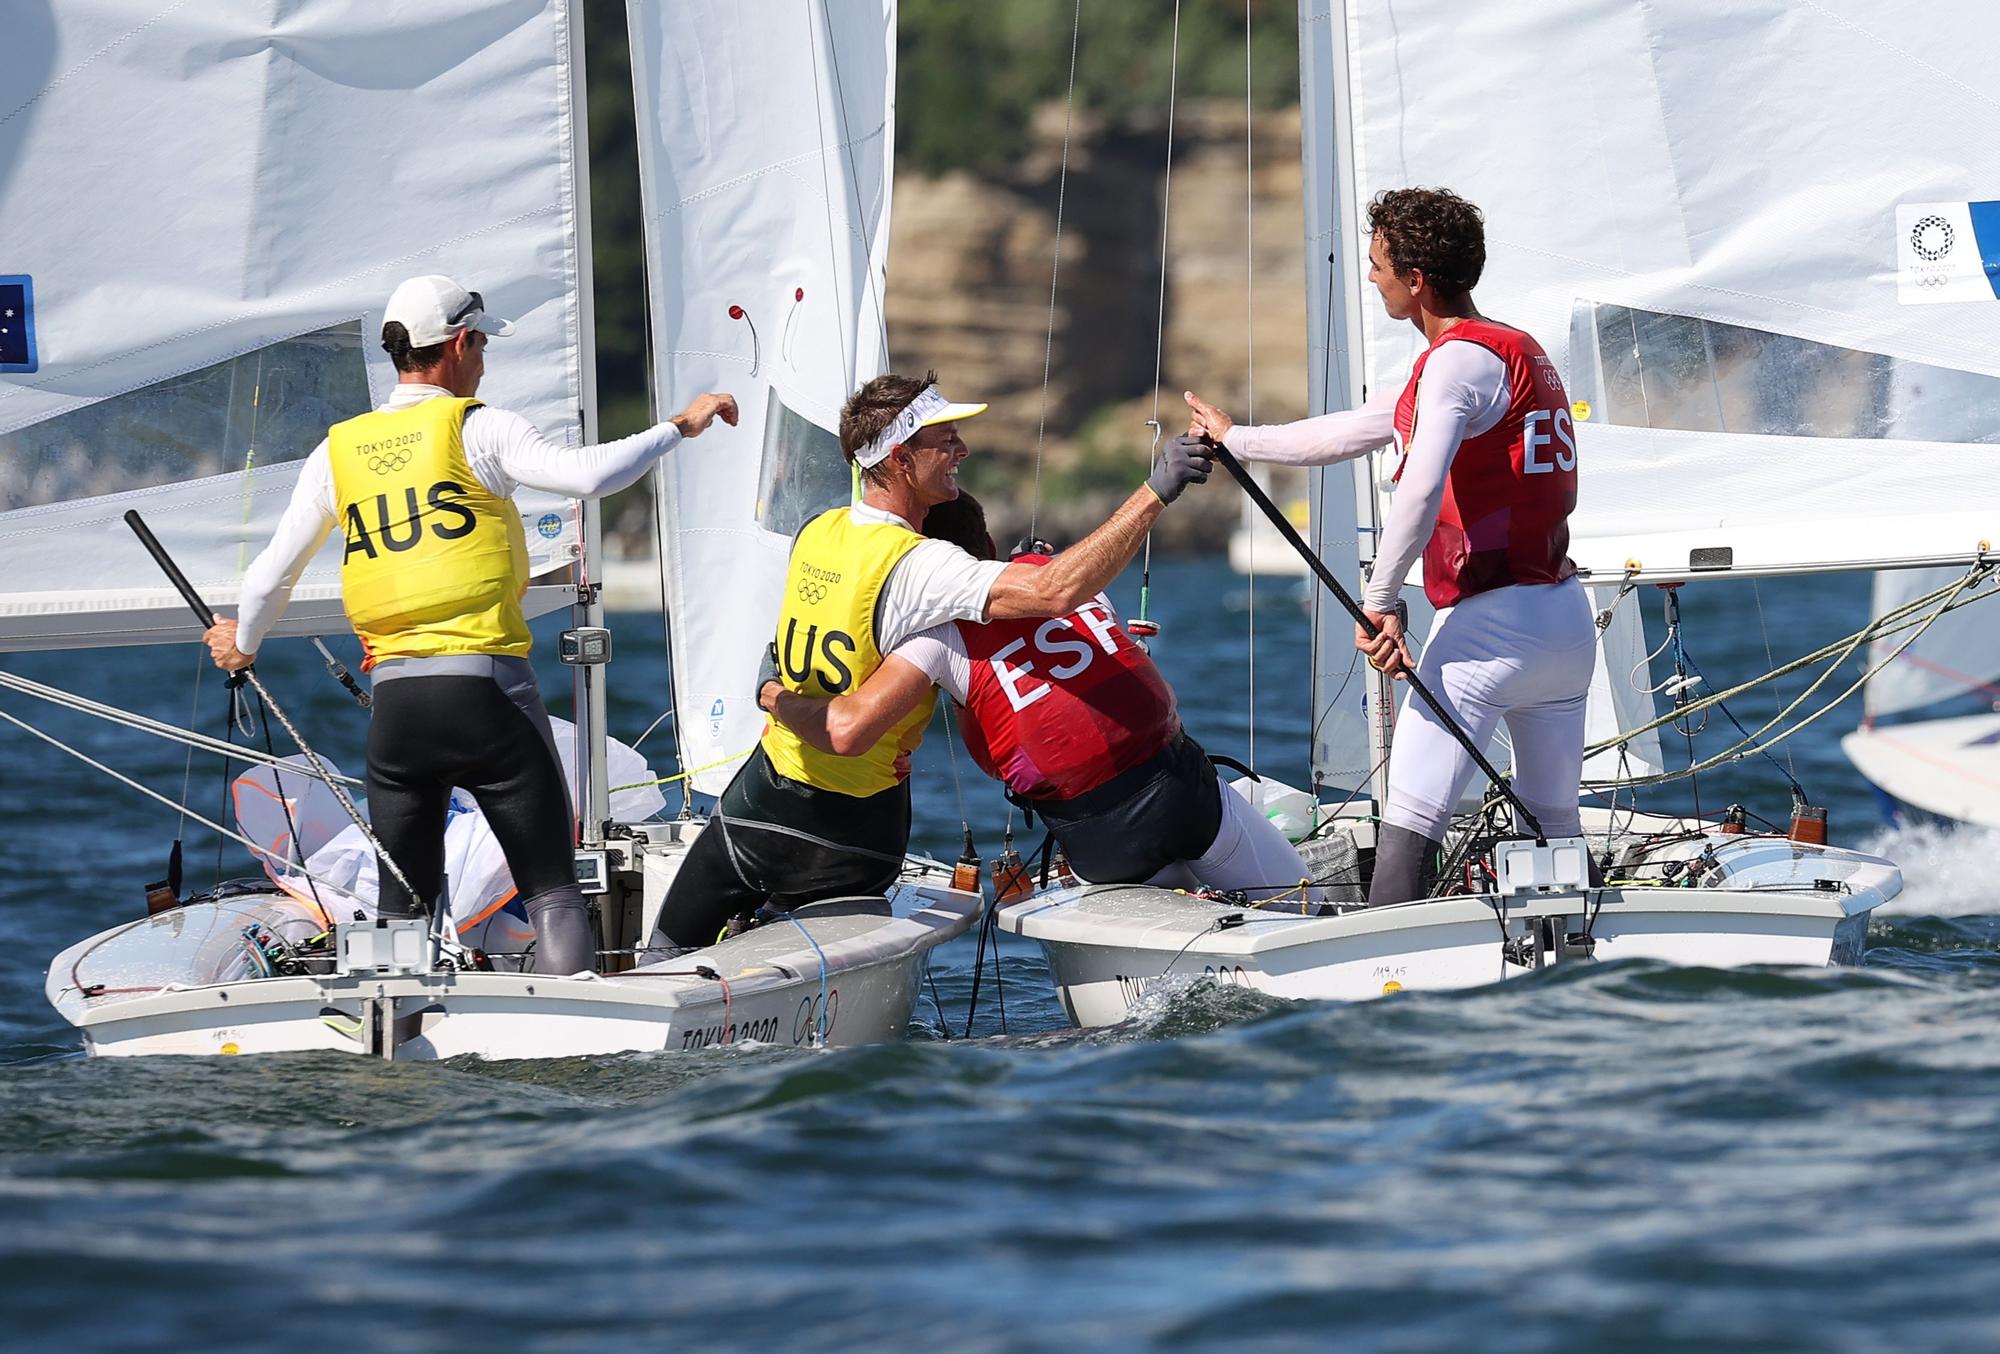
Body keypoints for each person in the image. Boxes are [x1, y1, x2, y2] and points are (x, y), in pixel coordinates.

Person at [203, 274, 737, 974]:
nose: (484, 358)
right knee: (552, 889)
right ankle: (567, 1041)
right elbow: (585, 477)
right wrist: (680, 426)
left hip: (397, 711)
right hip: (489, 695)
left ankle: (396, 1045)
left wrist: (240, 645)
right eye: (481, 342)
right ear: (458, 344)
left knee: (405, 906)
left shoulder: (336, 451)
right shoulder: (479, 426)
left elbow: (270, 575)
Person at [651, 370, 1216, 950]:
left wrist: (772, 693)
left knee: (661, 956)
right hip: (849, 831)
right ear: (899, 459)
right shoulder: (926, 567)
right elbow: (1055, 594)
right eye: (944, 441)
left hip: (757, 801)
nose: (961, 451)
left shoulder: (818, 529)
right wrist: (1156, 492)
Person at [1184, 187, 1593, 906]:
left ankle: (1385, 982)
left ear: (1416, 281)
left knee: (1410, 821)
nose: (1371, 278)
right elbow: (1348, 430)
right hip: (1563, 622)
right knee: (1555, 827)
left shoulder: (1453, 366)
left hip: (1491, 632)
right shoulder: (1506, 350)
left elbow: (1420, 489)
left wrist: (1380, 603)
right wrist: (1236, 438)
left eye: (1378, 266)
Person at [764, 491, 1315, 899]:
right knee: (1301, 901)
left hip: (1098, 837)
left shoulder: (934, 635)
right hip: (1181, 795)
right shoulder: (1062, 578)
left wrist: (772, 693)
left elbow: (991, 759)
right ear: (990, 549)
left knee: (1180, 903)